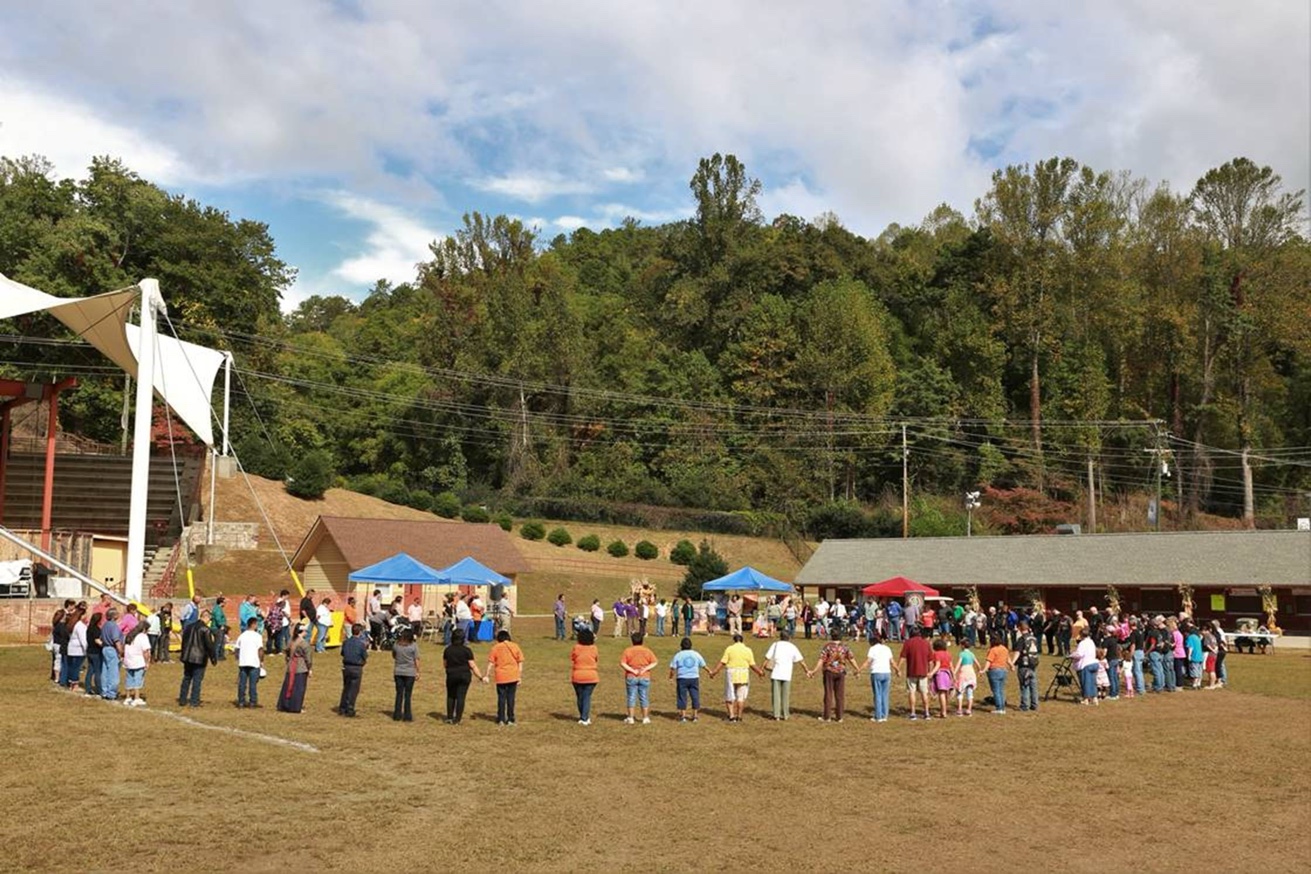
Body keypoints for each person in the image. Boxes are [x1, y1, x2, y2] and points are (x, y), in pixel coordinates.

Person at [708, 634, 763, 723]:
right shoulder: (747, 650)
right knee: (740, 697)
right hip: (743, 673)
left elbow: (723, 662)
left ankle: (731, 716)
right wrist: (759, 672)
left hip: (731, 673)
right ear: (742, 640)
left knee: (729, 695)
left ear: (734, 640)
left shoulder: (730, 649)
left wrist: (714, 672)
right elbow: (752, 664)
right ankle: (739, 716)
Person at [811, 629, 857, 723]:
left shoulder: (827, 647)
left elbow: (821, 659)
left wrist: (814, 670)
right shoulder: (845, 647)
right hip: (841, 672)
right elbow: (851, 659)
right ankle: (839, 717)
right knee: (840, 695)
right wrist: (857, 669)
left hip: (829, 672)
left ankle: (827, 716)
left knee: (828, 694)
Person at [763, 630, 809, 721]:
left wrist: (761, 669)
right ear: (789, 637)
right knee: (785, 695)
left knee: (776, 695)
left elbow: (767, 658)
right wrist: (807, 670)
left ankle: (776, 715)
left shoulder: (775, 644)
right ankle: (785, 714)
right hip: (787, 673)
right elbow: (801, 661)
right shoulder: (792, 647)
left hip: (776, 673)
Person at [443, 629, 483, 724]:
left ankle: (449, 717)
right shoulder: (467, 650)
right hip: (464, 675)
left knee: (451, 696)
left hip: (452, 675)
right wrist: (480, 677)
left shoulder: (448, 650)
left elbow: (445, 664)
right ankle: (458, 719)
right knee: (461, 697)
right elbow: (472, 665)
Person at [178, 609, 216, 707]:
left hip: (187, 657)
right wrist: (213, 658)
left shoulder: (188, 627)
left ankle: (182, 699)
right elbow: (209, 645)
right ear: (206, 617)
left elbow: (184, 642)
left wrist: (183, 654)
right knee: (197, 680)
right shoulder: (205, 629)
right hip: (199, 658)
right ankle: (194, 701)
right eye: (209, 619)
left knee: (186, 678)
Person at [486, 630, 524, 726]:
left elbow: (490, 663)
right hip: (513, 675)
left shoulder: (495, 648)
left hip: (500, 676)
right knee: (511, 697)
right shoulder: (515, 646)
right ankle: (511, 718)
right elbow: (520, 662)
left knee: (501, 697)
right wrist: (519, 676)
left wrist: (487, 675)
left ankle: (501, 718)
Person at [859, 633, 898, 722]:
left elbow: (868, 662)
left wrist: (859, 670)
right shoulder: (887, 648)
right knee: (885, 694)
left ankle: (878, 716)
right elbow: (892, 661)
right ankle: (885, 715)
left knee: (877, 694)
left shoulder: (872, 649)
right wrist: (897, 670)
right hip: (887, 673)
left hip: (876, 673)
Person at [621, 632, 659, 724]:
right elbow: (654, 662)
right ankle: (645, 718)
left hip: (631, 676)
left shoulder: (628, 651)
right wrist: (644, 669)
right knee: (644, 696)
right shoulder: (647, 651)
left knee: (631, 696)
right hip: (644, 676)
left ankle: (630, 718)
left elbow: (623, 663)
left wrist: (633, 671)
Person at [668, 637, 708, 722]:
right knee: (695, 696)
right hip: (694, 678)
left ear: (681, 646)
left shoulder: (678, 655)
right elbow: (703, 665)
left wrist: (671, 677)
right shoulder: (696, 654)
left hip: (682, 678)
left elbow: (673, 668)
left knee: (682, 696)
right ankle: (695, 716)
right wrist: (710, 672)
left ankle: (683, 716)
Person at [277, 624, 313, 713]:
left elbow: (286, 651)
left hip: (291, 666)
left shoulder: (291, 640)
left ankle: (285, 704)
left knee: (288, 685)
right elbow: (308, 659)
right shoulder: (304, 644)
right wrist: (310, 669)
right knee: (298, 688)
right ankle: (296, 707)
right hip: (300, 667)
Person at [898, 627, 932, 720]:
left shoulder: (908, 643)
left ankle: (913, 713)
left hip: (911, 671)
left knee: (912, 692)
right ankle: (927, 713)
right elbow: (930, 660)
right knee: (924, 693)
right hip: (923, 672)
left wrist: (898, 668)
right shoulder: (926, 643)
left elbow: (903, 657)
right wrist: (930, 671)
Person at [570, 628, 599, 725]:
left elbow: (573, 658)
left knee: (580, 697)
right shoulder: (594, 648)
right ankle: (584, 717)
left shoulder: (576, 648)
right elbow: (596, 658)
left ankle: (583, 716)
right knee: (587, 696)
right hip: (591, 675)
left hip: (578, 675)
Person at [338, 623, 368, 717]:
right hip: (356, 667)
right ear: (360, 632)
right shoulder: (361, 644)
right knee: (354, 689)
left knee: (346, 688)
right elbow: (365, 656)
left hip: (346, 666)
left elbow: (342, 653)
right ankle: (350, 708)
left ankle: (342, 707)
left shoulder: (346, 642)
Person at [234, 616, 264, 708]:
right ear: (253, 624)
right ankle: (252, 702)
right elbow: (260, 650)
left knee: (242, 683)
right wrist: (261, 661)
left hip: (243, 662)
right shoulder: (257, 636)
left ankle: (241, 701)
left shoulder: (242, 636)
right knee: (253, 684)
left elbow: (236, 649)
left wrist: (239, 658)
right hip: (254, 662)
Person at [1011, 619, 1041, 712]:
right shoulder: (1033, 638)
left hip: (1024, 665)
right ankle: (1034, 704)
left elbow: (1017, 652)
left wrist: (1012, 663)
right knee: (1033, 685)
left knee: (1024, 685)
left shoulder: (1021, 639)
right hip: (1033, 664)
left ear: (1019, 628)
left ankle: (1024, 705)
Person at [391, 628, 419, 721]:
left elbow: (394, 656)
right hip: (410, 672)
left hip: (398, 671)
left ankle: (397, 715)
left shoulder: (396, 645)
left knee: (399, 694)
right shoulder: (413, 646)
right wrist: (417, 671)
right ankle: (407, 715)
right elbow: (416, 659)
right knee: (408, 695)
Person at [99, 608, 125, 701]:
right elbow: (116, 640)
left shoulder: (105, 625)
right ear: (114, 616)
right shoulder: (113, 626)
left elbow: (101, 638)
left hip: (105, 648)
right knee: (113, 672)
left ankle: (104, 691)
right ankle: (111, 693)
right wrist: (121, 652)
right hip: (112, 649)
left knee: (105, 671)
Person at [984, 634, 1011, 714]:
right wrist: (1011, 665)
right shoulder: (1004, 649)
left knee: (995, 690)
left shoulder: (993, 650)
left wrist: (984, 670)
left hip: (994, 671)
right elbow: (1008, 659)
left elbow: (989, 661)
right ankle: (1002, 707)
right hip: (1003, 670)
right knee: (1001, 690)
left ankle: (999, 708)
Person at [1072, 628, 1099, 706]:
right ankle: (1095, 698)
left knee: (1085, 682)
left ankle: (1086, 699)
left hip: (1086, 664)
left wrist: (1072, 655)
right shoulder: (1091, 642)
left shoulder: (1082, 643)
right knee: (1093, 682)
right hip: (1094, 663)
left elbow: (1079, 654)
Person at [929, 638, 954, 719]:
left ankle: (943, 712)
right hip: (948, 674)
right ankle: (944, 710)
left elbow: (938, 665)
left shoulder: (936, 654)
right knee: (945, 693)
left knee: (941, 693)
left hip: (941, 674)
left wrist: (931, 673)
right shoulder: (948, 654)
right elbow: (951, 666)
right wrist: (954, 676)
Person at [952, 642, 978, 716]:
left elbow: (958, 664)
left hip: (963, 673)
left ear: (963, 646)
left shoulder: (962, 654)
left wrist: (954, 672)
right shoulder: (972, 654)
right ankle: (969, 710)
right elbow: (977, 663)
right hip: (971, 673)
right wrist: (980, 670)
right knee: (970, 693)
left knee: (960, 692)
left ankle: (959, 710)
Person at [65, 610, 87, 692]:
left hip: (71, 649)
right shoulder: (80, 626)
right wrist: (86, 650)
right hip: (78, 650)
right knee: (76, 667)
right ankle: (75, 685)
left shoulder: (72, 624)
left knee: (72, 667)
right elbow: (83, 640)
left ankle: (71, 684)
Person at [84, 612, 104, 696]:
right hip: (96, 652)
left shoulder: (89, 628)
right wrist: (104, 645)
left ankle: (88, 688)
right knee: (97, 671)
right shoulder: (96, 629)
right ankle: (99, 689)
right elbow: (97, 641)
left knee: (90, 670)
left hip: (89, 651)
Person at [211, 596, 229, 661]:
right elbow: (218, 618)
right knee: (218, 643)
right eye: (224, 602)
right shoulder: (218, 609)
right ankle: (217, 656)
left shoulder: (217, 608)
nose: (225, 604)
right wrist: (221, 625)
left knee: (220, 642)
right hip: (217, 628)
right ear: (221, 602)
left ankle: (220, 655)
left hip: (217, 628)